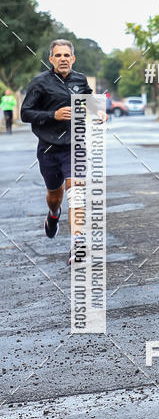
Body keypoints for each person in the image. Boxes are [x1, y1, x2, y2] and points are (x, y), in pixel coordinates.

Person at [21, 40, 92, 260]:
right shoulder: (39, 83)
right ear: (51, 59)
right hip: (48, 148)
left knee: (76, 192)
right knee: (55, 195)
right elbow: (25, 113)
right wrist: (53, 115)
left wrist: (100, 113)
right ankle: (53, 214)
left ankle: (77, 243)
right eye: (58, 55)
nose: (63, 58)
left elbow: (89, 102)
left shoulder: (80, 80)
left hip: (75, 145)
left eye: (66, 55)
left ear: (73, 58)